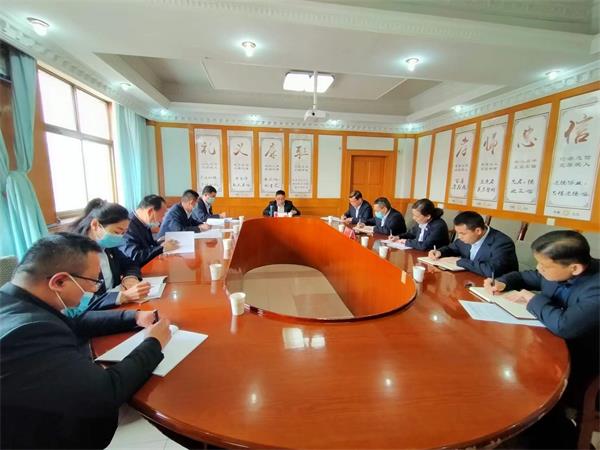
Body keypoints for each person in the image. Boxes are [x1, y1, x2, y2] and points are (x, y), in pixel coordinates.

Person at [0, 233, 171, 449]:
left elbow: (75, 323)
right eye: (93, 281)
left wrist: (133, 317)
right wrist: (153, 343)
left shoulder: (12, 299)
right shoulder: (26, 334)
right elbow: (105, 392)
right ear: (59, 281)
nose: (94, 290)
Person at [485, 231, 599, 448]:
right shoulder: (560, 270)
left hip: (583, 360)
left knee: (524, 388)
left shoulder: (596, 288)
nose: (539, 269)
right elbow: (527, 276)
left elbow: (565, 326)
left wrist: (532, 299)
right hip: (549, 345)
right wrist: (502, 282)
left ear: (575, 268)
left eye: (544, 266)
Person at [71, 199, 151, 310]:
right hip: (97, 312)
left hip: (117, 306)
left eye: (123, 233)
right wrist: (121, 297)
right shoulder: (74, 253)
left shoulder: (108, 246)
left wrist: (130, 277)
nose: (120, 237)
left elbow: (130, 263)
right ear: (95, 225)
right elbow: (80, 301)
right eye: (117, 232)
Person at [427, 211, 518, 277]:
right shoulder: (466, 237)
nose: (459, 237)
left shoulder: (502, 243)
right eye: (458, 233)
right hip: (469, 278)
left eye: (462, 234)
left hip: (495, 287)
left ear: (478, 231)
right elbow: (452, 248)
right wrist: (439, 252)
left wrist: (460, 261)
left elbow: (492, 271)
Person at [121, 195, 179, 267]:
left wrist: (161, 243)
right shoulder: (127, 226)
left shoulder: (142, 222)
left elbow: (149, 245)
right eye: (162, 215)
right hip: (135, 269)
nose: (161, 220)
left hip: (148, 264)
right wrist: (162, 248)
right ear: (150, 211)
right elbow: (136, 255)